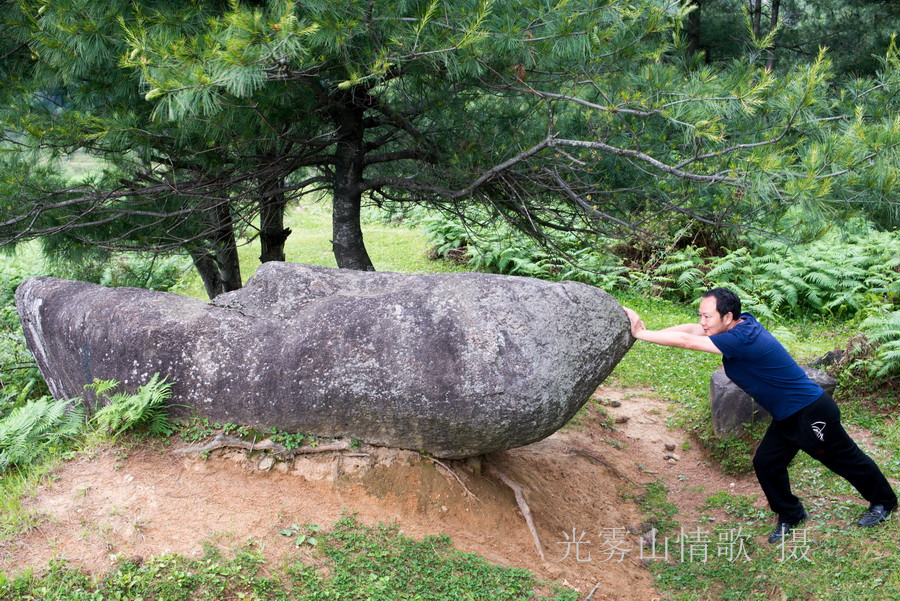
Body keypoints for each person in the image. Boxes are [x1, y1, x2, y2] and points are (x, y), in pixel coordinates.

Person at [624, 288, 897, 543]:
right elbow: (691, 330)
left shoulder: (742, 338)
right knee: (767, 462)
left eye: (707, 316)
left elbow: (687, 342)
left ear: (728, 317)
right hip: (786, 416)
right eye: (701, 315)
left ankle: (884, 501)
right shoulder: (739, 324)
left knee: (843, 459)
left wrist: (640, 334)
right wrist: (649, 330)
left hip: (811, 411)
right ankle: (791, 513)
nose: (702, 321)